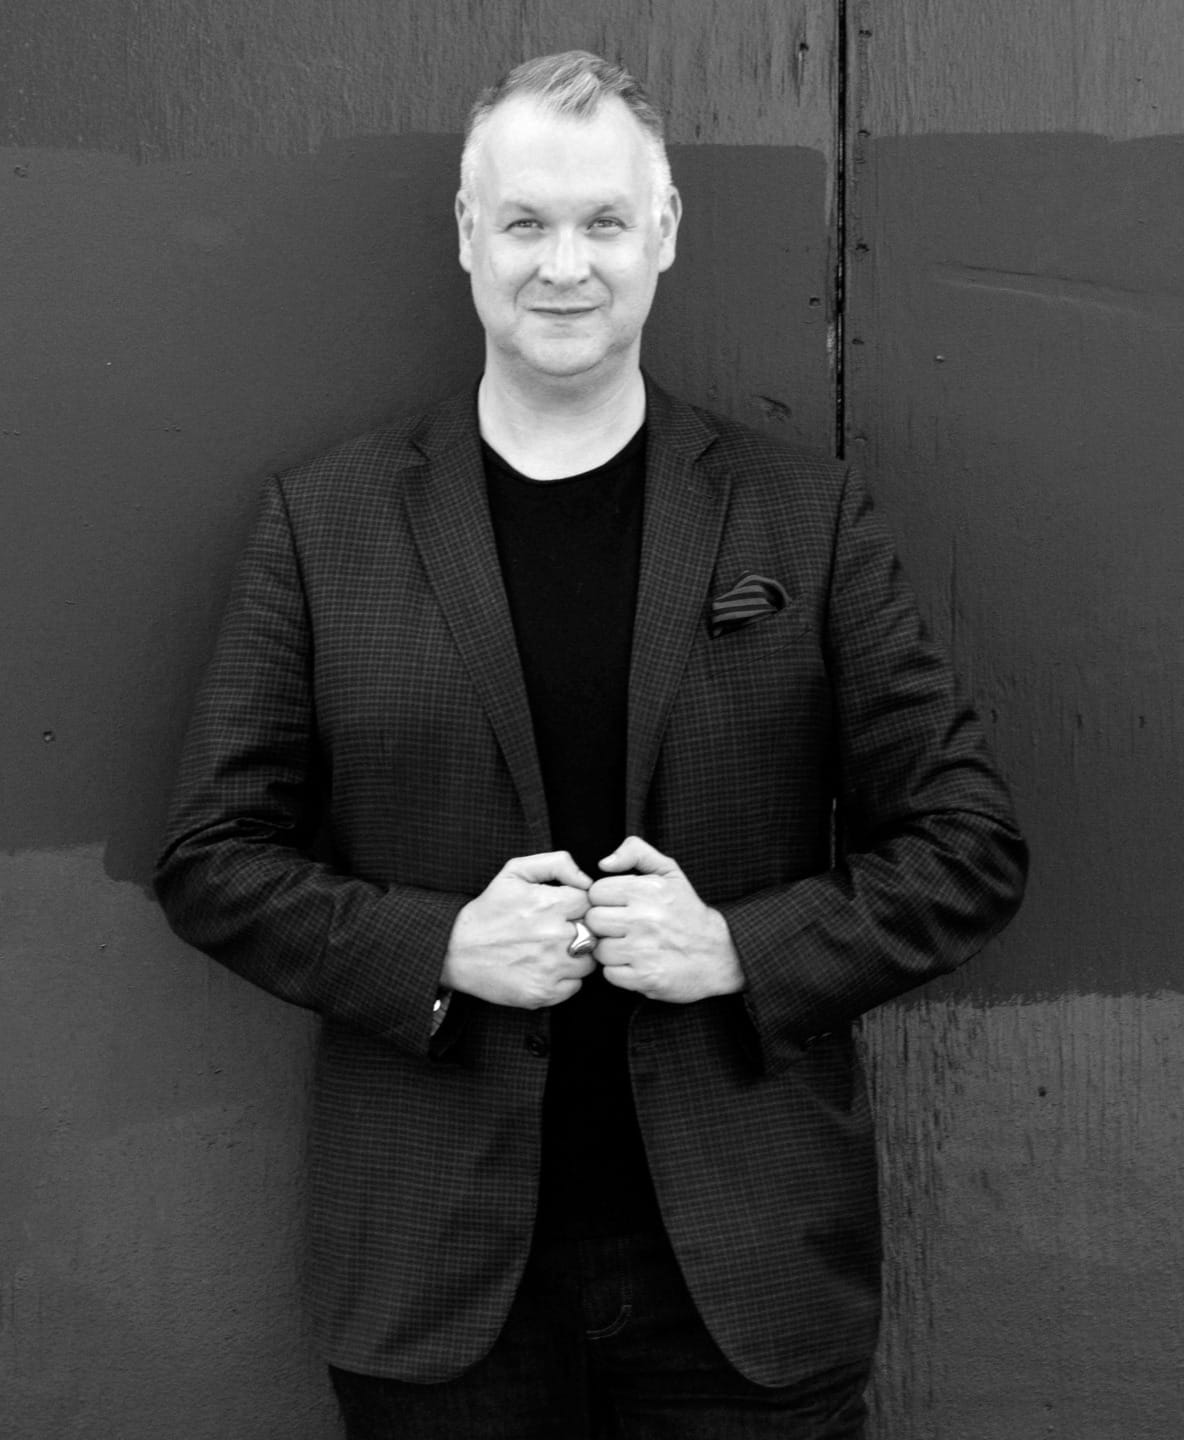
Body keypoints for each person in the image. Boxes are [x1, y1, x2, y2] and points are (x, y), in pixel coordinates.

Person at [155, 50, 1027, 1439]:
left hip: (744, 1279)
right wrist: (436, 948)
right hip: (439, 1286)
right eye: (526, 223)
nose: (565, 265)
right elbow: (209, 855)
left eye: (604, 222)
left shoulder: (805, 519)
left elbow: (971, 844)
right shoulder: (326, 525)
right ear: (466, 235)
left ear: (664, 232)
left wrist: (742, 950)